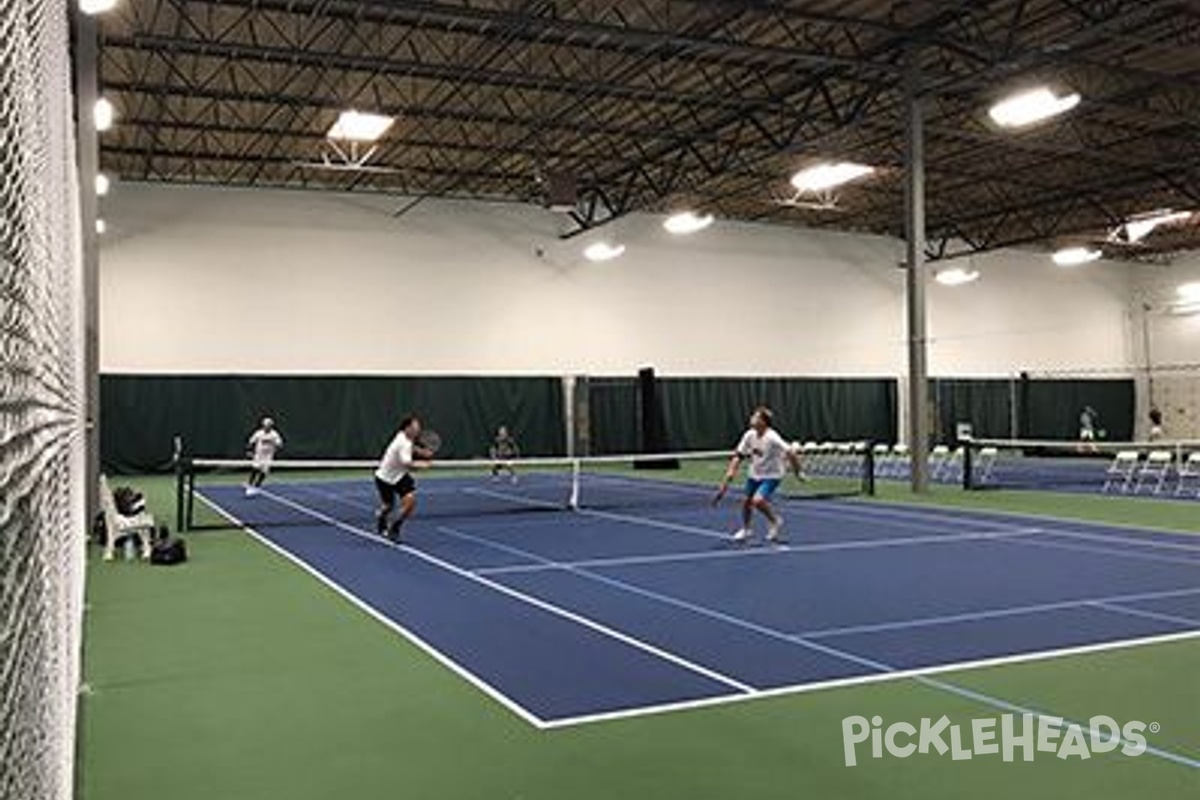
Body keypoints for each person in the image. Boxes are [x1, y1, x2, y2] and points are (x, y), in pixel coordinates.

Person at [716, 406, 801, 544]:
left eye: (755, 417)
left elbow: (790, 452)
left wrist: (797, 472)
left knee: (758, 501)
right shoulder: (749, 435)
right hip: (754, 473)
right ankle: (746, 529)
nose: (752, 418)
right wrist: (731, 471)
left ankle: (775, 521)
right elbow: (739, 455)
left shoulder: (772, 437)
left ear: (763, 421)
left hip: (772, 475)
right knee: (747, 502)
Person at [374, 415, 434, 542]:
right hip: (384, 478)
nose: (418, 430)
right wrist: (423, 465)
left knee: (410, 503)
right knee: (388, 506)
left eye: (418, 427)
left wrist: (422, 452)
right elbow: (407, 464)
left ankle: (394, 528)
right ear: (407, 428)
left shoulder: (404, 436)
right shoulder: (402, 443)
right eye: (415, 427)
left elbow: (411, 447)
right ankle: (381, 516)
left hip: (400, 476)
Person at [245, 417, 283, 496]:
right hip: (258, 455)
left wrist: (277, 444)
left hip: (268, 456)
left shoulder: (274, 434)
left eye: (269, 425)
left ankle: (257, 487)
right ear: (263, 425)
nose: (267, 427)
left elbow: (280, 444)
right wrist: (249, 451)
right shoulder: (258, 433)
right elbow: (251, 442)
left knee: (264, 472)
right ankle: (249, 485)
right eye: (266, 425)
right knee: (255, 469)